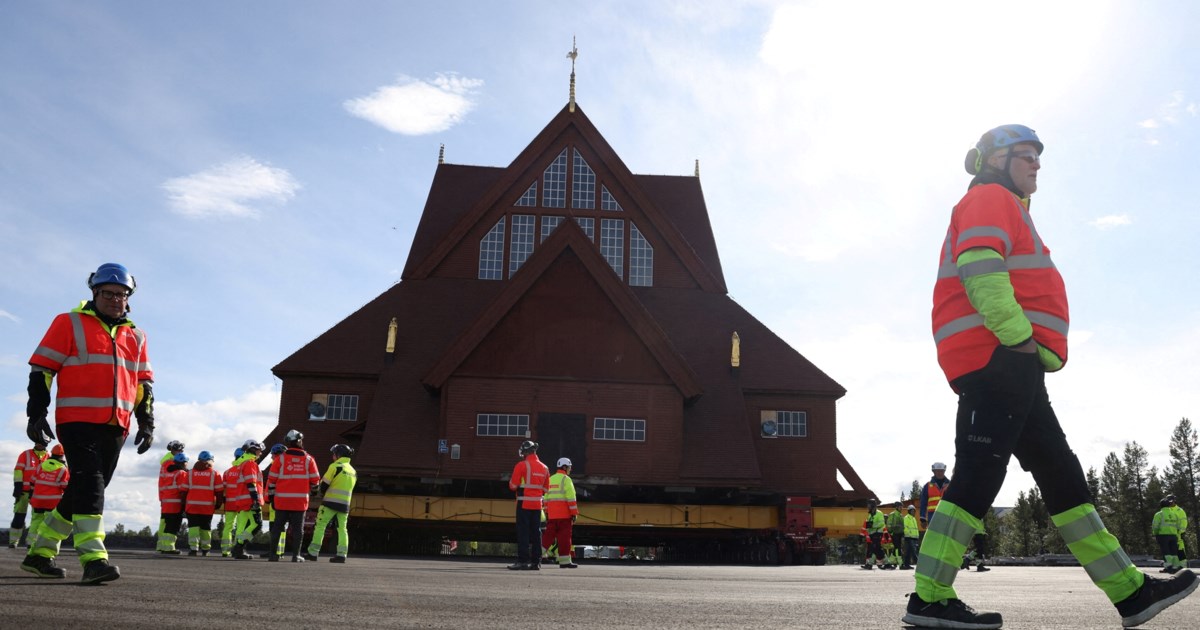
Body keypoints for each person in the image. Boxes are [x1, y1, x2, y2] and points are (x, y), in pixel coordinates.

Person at [905, 125, 1197, 628]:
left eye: (1039, 157)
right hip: (998, 358)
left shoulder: (1007, 205)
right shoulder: (990, 197)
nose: (1037, 164)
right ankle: (929, 597)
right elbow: (979, 265)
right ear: (996, 161)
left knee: (1062, 476)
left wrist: (1024, 351)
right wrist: (1018, 339)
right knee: (978, 474)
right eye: (1026, 155)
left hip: (1011, 364)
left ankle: (1130, 592)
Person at [21, 263, 155, 584]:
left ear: (129, 298)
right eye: (107, 293)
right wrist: (36, 412)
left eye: (121, 294)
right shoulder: (68, 323)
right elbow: (42, 369)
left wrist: (145, 421)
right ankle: (94, 559)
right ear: (94, 293)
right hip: (76, 420)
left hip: (115, 425)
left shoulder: (136, 335)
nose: (114, 299)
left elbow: (143, 384)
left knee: (83, 489)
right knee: (91, 485)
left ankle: (40, 553)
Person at [266, 429, 320, 562]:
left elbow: (271, 480)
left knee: (277, 528)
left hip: (282, 501)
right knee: (297, 530)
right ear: (300, 441)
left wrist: (272, 498)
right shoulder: (309, 460)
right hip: (299, 502)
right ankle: (296, 556)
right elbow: (315, 481)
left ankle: (273, 555)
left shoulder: (280, 459)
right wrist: (313, 493)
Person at [304, 443, 357, 563]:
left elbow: (324, 486)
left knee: (320, 526)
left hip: (329, 503)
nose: (333, 456)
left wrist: (320, 493)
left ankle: (313, 553)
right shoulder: (353, 471)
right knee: (342, 529)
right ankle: (342, 555)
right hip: (345, 505)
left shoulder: (335, 466)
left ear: (338, 455)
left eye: (334, 453)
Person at [507, 440, 549, 570]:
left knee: (523, 533)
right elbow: (546, 489)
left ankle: (523, 561)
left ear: (525, 452)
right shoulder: (545, 467)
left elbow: (513, 486)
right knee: (536, 534)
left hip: (524, 504)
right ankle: (536, 563)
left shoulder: (521, 465)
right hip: (537, 505)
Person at [10, 437, 50, 548]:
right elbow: (18, 470)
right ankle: (13, 542)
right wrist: (18, 486)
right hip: (23, 492)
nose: (39, 444)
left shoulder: (49, 457)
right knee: (19, 517)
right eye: (37, 442)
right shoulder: (25, 454)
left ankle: (31, 543)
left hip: (37, 493)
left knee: (36, 519)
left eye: (41, 442)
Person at [542, 457, 579, 569]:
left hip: (553, 516)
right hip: (564, 516)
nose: (570, 469)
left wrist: (548, 512)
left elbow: (546, 499)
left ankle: (536, 555)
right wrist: (574, 513)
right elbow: (571, 499)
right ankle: (564, 562)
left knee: (547, 537)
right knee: (564, 539)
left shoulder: (551, 479)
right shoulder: (566, 480)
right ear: (564, 467)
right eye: (569, 467)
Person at [27, 445, 70, 542]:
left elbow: (32, 481)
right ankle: (43, 542)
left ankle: (30, 542)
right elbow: (65, 486)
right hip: (52, 502)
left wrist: (30, 496)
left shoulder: (41, 466)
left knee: (35, 521)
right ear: (63, 455)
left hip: (37, 500)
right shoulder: (63, 469)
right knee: (49, 523)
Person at [184, 451, 221, 557]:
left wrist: (184, 504)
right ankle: (205, 549)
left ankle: (193, 549)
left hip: (192, 506)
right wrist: (218, 504)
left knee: (193, 528)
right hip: (207, 507)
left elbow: (183, 490)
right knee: (206, 528)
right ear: (210, 461)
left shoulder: (190, 473)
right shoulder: (215, 473)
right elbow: (219, 491)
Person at [155, 440, 186, 550]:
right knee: (171, 523)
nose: (181, 452)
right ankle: (168, 546)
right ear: (173, 450)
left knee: (164, 522)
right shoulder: (170, 462)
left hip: (165, 497)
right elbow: (175, 475)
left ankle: (161, 546)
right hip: (172, 497)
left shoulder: (166, 462)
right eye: (179, 450)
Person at [219, 447, 247, 557]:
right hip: (241, 503)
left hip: (230, 503)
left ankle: (225, 550)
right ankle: (237, 550)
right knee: (240, 527)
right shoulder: (245, 470)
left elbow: (223, 489)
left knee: (228, 527)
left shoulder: (227, 472)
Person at [1153, 499, 1184, 574]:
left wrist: (1156, 534)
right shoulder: (1174, 514)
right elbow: (1178, 525)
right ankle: (1175, 567)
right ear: (1169, 505)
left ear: (1161, 505)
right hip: (1173, 535)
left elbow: (1155, 526)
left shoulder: (1159, 514)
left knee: (1166, 551)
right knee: (1174, 552)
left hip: (1163, 535)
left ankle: (1169, 567)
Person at [919, 462, 950, 528]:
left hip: (947, 515)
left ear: (944, 471)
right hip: (932, 516)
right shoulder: (927, 486)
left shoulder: (951, 485)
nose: (939, 473)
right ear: (934, 472)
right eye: (937, 471)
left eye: (941, 471)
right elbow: (923, 503)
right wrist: (923, 519)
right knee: (933, 536)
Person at [861, 499, 886, 570]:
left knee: (875, 548)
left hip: (878, 533)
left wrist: (872, 525)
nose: (867, 506)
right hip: (872, 534)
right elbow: (868, 525)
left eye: (869, 505)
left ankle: (885, 563)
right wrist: (868, 532)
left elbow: (881, 523)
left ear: (873, 505)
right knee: (874, 549)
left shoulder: (879, 513)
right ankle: (871, 564)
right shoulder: (870, 514)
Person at [886, 501, 906, 567]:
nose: (901, 508)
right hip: (894, 534)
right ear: (896, 507)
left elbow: (902, 525)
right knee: (897, 548)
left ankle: (889, 562)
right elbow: (889, 524)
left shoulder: (901, 515)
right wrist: (890, 532)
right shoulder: (893, 514)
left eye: (902, 507)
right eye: (900, 507)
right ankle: (900, 563)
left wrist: (903, 533)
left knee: (896, 548)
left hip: (900, 534)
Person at [901, 504, 919, 570]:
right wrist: (908, 535)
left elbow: (915, 529)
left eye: (914, 511)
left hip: (914, 538)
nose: (913, 512)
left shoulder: (913, 519)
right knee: (914, 552)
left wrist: (917, 536)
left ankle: (906, 565)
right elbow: (905, 527)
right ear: (909, 511)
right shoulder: (906, 518)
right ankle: (918, 564)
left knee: (909, 552)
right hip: (909, 537)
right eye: (912, 511)